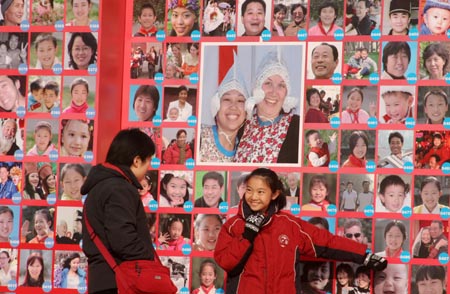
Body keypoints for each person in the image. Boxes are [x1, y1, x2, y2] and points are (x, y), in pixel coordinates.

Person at [214, 168, 387, 294]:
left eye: (261, 192)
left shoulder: (289, 225)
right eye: (249, 190)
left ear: (274, 194)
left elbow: (326, 242)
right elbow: (226, 262)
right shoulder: (233, 225)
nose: (253, 197)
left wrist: (363, 255)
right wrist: (247, 236)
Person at [81, 128, 160, 293]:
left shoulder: (102, 185)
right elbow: (123, 239)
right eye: (148, 161)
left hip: (106, 280)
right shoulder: (119, 189)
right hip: (119, 282)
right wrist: (149, 259)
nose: (149, 168)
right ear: (137, 161)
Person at [234, 49, 299, 163]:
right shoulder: (240, 125)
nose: (273, 92)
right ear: (257, 87)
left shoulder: (297, 127)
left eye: (281, 85)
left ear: (286, 93)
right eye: (268, 83)